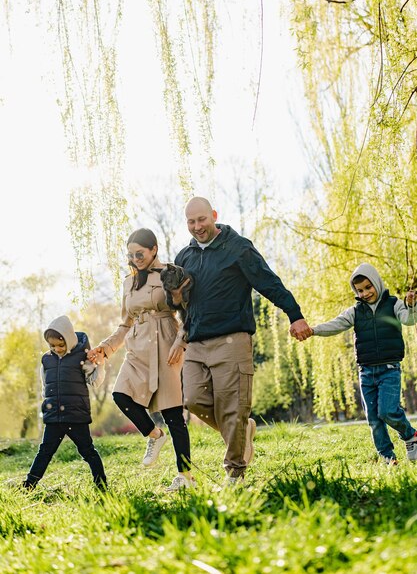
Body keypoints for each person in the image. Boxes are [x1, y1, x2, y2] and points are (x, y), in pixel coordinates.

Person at [171, 197, 312, 483]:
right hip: (196, 342)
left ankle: (235, 471)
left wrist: (294, 315)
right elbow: (181, 304)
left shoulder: (239, 248)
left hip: (232, 339)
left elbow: (268, 282)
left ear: (214, 215)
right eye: (191, 222)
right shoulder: (184, 257)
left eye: (202, 219)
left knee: (232, 405)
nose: (197, 227)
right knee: (193, 400)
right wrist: (175, 302)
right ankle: (241, 432)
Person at [88, 228, 194, 492]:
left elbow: (189, 313)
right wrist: (105, 348)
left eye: (140, 253)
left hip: (167, 343)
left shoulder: (172, 273)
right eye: (131, 255)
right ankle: (153, 435)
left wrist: (182, 341)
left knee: (172, 413)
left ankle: (185, 477)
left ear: (154, 249)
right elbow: (125, 324)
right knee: (121, 395)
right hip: (137, 346)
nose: (136, 258)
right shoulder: (128, 282)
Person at [310, 262, 417, 464]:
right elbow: (336, 324)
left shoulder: (393, 304)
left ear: (376, 283)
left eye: (368, 287)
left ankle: (410, 435)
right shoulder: (355, 311)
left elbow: (409, 320)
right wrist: (314, 330)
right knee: (374, 419)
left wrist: (411, 305)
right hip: (366, 371)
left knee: (387, 411)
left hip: (389, 369)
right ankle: (387, 457)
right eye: (360, 290)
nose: (365, 293)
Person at [23, 315, 107, 490]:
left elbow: (94, 381)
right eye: (52, 346)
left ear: (69, 340)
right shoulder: (46, 360)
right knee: (44, 452)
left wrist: (100, 365)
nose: (57, 349)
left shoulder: (81, 356)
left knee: (88, 451)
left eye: (61, 345)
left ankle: (101, 485)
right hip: (54, 416)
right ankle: (28, 486)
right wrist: (46, 407)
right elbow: (45, 386)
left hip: (76, 415)